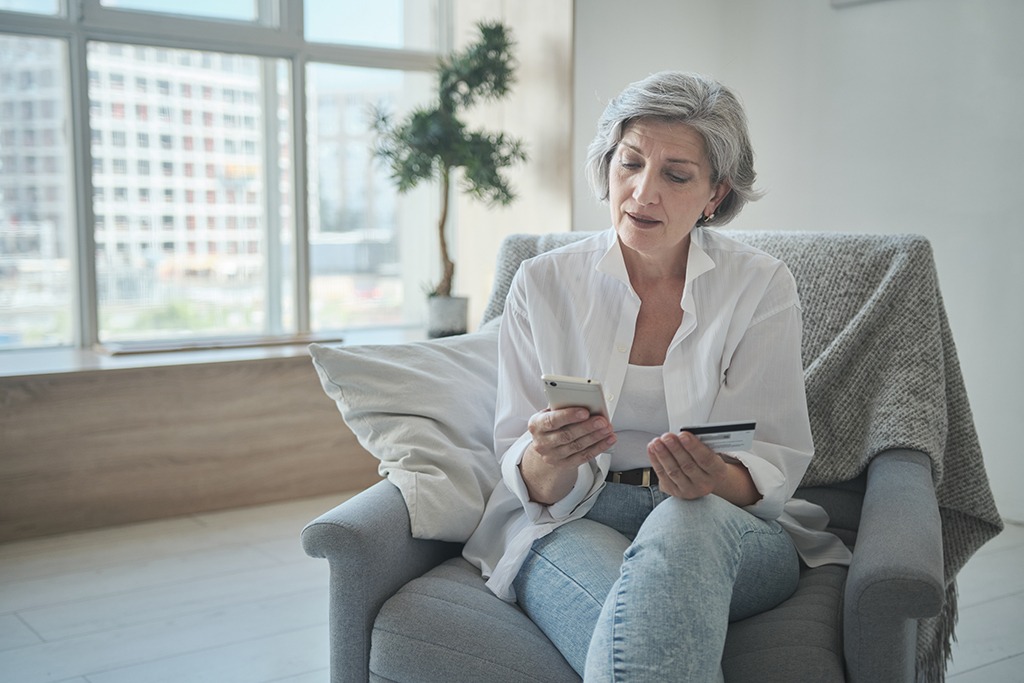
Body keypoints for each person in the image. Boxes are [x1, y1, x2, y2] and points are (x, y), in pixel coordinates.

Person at [463, 71, 851, 681]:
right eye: (630, 163)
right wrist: (550, 454)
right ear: (607, 167)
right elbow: (527, 479)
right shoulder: (543, 283)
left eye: (676, 174)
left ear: (715, 195)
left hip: (723, 522)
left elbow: (773, 462)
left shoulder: (759, 286)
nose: (642, 193)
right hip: (576, 516)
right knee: (642, 634)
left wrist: (717, 477)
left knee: (680, 528)